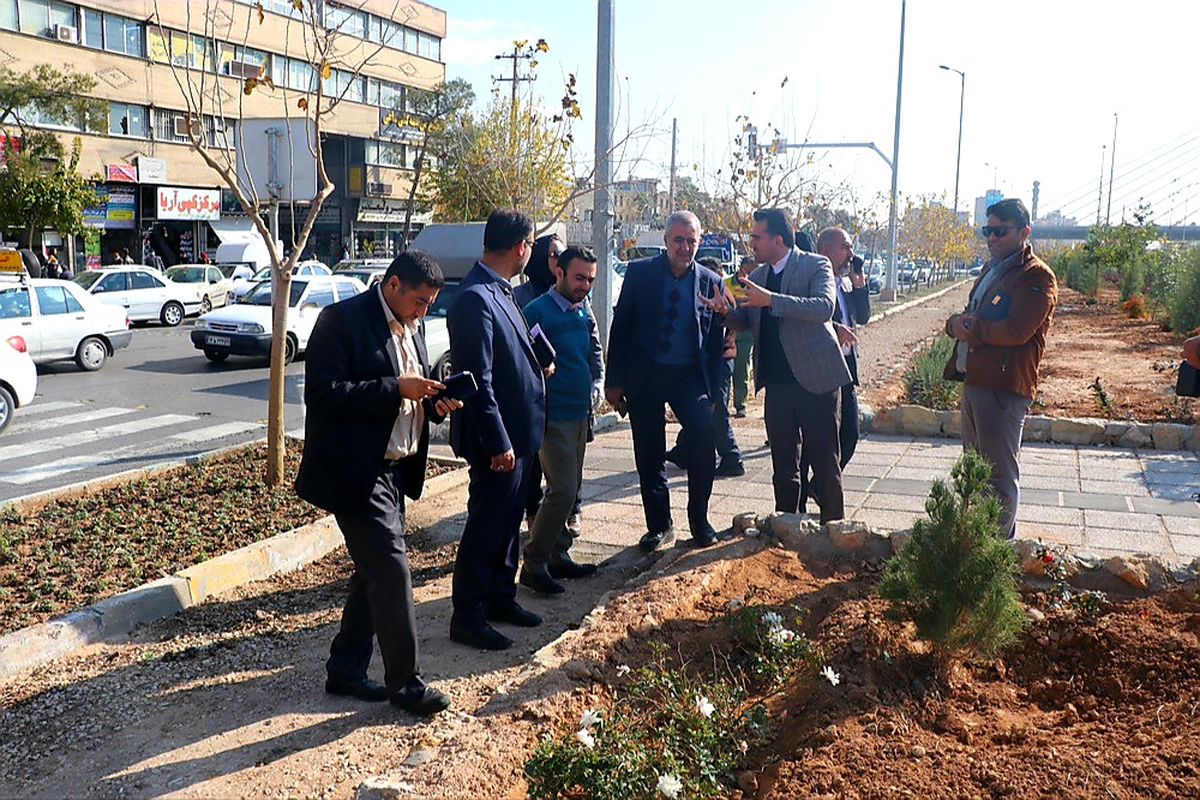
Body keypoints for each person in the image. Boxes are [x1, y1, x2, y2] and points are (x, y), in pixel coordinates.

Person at [294, 250, 462, 717]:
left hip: (395, 469)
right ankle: (406, 683)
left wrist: (432, 403)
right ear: (392, 286)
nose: (424, 312)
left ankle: (345, 669)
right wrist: (396, 388)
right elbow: (323, 395)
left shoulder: (416, 324)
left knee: (373, 572)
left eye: (430, 303)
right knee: (392, 571)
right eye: (420, 301)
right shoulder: (341, 320)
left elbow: (414, 389)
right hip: (356, 472)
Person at [447, 208, 549, 651]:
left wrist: (540, 358)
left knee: (508, 523)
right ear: (521, 247)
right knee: (487, 524)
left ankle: (499, 596)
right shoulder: (475, 297)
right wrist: (499, 441)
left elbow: (518, 344)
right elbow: (477, 382)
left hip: (522, 435)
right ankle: (467, 614)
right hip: (499, 442)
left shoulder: (501, 291)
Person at [605, 210, 728, 551]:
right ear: (666, 240)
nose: (685, 247)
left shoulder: (710, 281)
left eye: (692, 241)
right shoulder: (640, 273)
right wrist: (614, 380)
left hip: (689, 376)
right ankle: (659, 525)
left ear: (699, 243)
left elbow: (716, 340)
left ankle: (699, 519)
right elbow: (622, 327)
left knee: (704, 436)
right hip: (647, 374)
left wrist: (716, 389)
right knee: (649, 452)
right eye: (679, 240)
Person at [723, 208, 852, 523]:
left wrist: (772, 300)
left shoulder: (815, 264)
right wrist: (722, 312)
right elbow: (747, 320)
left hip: (817, 382)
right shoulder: (755, 277)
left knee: (824, 464)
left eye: (757, 236)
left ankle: (833, 533)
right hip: (777, 386)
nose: (751, 243)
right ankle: (787, 529)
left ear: (777, 239)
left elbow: (824, 308)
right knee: (784, 467)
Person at [944, 198, 1057, 539]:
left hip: (1004, 388)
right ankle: (978, 544)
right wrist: (954, 324)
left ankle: (996, 555)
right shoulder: (993, 269)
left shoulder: (1036, 276)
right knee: (974, 472)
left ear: (1024, 232)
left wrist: (972, 328)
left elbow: (1017, 330)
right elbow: (968, 314)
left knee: (998, 477)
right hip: (976, 381)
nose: (991, 238)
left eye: (1000, 231)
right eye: (987, 231)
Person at [519, 244, 603, 595]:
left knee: (569, 492)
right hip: (551, 416)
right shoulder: (536, 312)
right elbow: (522, 360)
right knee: (563, 490)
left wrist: (597, 386)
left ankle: (558, 554)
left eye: (590, 280)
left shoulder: (584, 311)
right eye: (579, 277)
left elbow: (594, 352)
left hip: (580, 412)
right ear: (559, 273)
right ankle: (534, 562)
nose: (585, 285)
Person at [800, 227, 871, 511]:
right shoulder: (811, 280)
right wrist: (833, 328)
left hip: (845, 370)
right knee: (810, 440)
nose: (851, 254)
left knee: (850, 434)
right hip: (818, 370)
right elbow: (805, 317)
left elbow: (863, 317)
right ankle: (799, 498)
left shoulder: (844, 284)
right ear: (827, 251)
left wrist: (860, 285)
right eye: (846, 247)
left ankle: (819, 486)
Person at [664, 255, 744, 478]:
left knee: (716, 411)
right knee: (697, 410)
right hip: (707, 362)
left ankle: (731, 457)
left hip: (719, 361)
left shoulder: (720, 297)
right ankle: (683, 451)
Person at [730, 256, 757, 417]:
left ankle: (740, 404)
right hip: (728, 332)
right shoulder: (727, 283)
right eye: (751, 267)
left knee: (742, 370)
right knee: (725, 370)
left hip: (746, 334)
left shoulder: (757, 284)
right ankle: (721, 404)